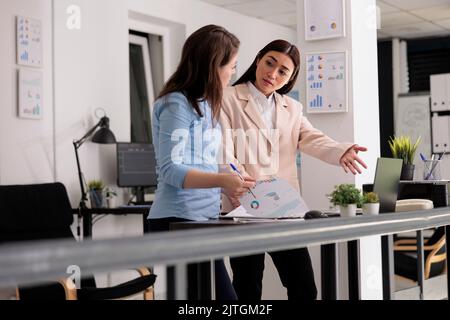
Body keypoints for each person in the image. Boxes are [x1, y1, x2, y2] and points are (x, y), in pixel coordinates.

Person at [219, 39, 368, 300]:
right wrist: (238, 185)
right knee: (248, 288)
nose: (272, 74)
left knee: (304, 288)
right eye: (269, 63)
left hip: (283, 210)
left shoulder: (292, 108)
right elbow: (223, 152)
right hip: (244, 209)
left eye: (282, 71)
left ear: (290, 78)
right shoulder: (227, 98)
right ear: (258, 60)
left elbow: (312, 138)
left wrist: (340, 150)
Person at [148, 25, 255, 300]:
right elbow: (171, 170)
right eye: (231, 65)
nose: (233, 72)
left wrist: (230, 176)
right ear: (212, 65)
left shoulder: (205, 105)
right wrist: (221, 180)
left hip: (203, 218)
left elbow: (200, 163)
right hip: (178, 218)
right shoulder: (176, 104)